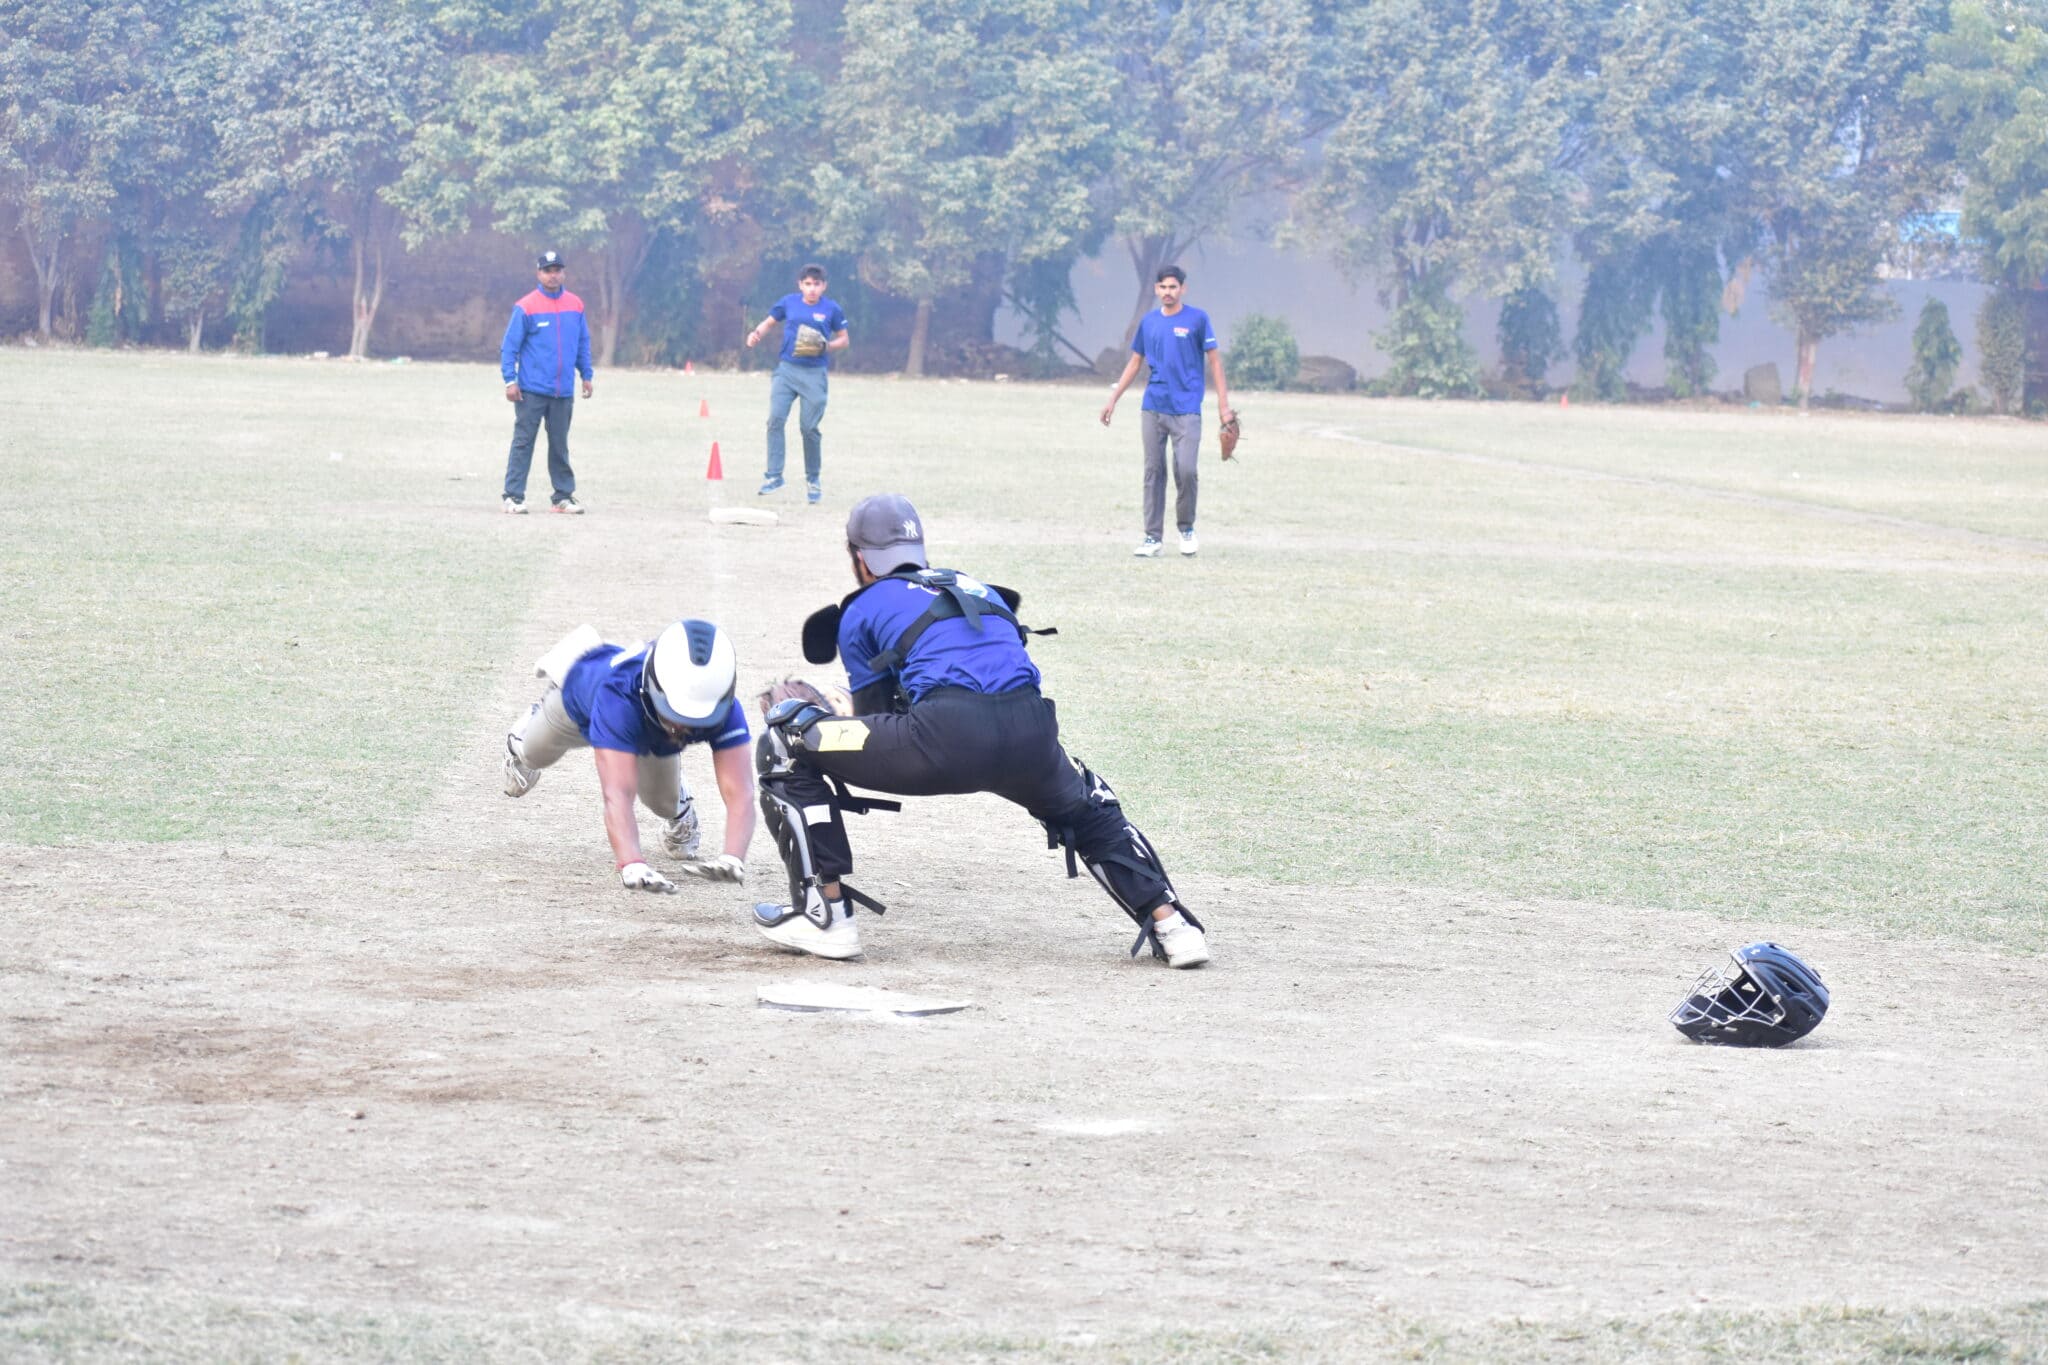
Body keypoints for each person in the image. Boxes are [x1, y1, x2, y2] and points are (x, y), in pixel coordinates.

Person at [747, 494, 1210, 967]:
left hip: (945, 739)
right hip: (1032, 734)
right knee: (1087, 805)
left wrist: (828, 715)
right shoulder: (978, 588)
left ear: (859, 556)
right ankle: (1172, 924)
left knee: (785, 735)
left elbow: (874, 718)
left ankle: (825, 915)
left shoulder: (860, 608)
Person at [502, 619, 755, 893]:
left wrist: (733, 856)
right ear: (654, 686)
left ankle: (680, 806)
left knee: (663, 804)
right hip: (578, 707)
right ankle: (531, 721)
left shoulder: (722, 705)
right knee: (533, 755)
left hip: (648, 731)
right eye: (677, 712)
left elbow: (740, 792)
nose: (685, 728)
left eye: (699, 718)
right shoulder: (619, 697)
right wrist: (631, 862)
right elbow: (618, 794)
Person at [1099, 265, 1234, 558]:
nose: (1168, 292)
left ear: (1183, 289)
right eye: (1163, 287)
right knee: (1153, 471)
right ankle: (1152, 537)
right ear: (1156, 289)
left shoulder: (1198, 319)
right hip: (1153, 407)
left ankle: (1186, 529)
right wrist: (1113, 399)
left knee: (1186, 469)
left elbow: (1215, 362)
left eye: (1173, 287)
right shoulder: (1148, 323)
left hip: (1187, 409)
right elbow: (1135, 363)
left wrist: (1224, 407)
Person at [743, 263, 848, 506]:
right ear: (800, 285)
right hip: (787, 370)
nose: (812, 289)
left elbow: (843, 339)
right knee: (775, 420)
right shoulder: (789, 302)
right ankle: (774, 476)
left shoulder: (831, 309)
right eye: (808, 284)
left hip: (814, 374)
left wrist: (826, 345)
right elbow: (769, 322)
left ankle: (813, 479)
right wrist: (756, 334)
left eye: (817, 284)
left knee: (809, 429)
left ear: (824, 286)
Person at [499, 248, 594, 515]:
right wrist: (510, 380)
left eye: (557, 270)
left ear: (563, 273)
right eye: (547, 271)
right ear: (538, 273)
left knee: (560, 444)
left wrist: (586, 374)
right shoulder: (525, 306)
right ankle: (514, 496)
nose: (553, 276)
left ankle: (562, 497)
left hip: (563, 390)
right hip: (531, 390)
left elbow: (582, 342)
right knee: (523, 442)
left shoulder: (575, 305)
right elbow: (509, 347)